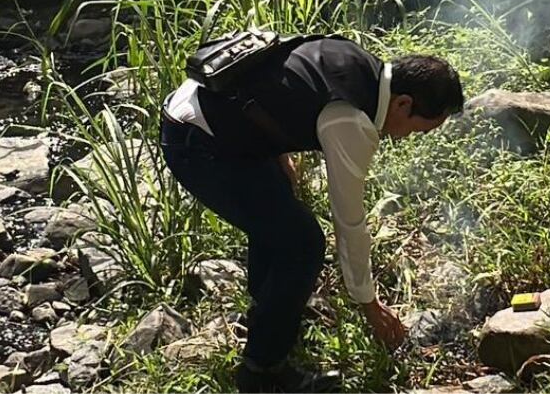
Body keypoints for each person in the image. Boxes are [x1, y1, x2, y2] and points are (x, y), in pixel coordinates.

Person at [159, 34, 464, 392]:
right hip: (198, 142)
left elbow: (277, 80)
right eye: (419, 129)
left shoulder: (356, 60)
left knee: (279, 217)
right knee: (302, 244)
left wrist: (275, 148)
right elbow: (349, 222)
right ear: (403, 104)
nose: (410, 137)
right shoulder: (352, 119)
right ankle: (262, 371)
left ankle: (268, 314)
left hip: (207, 112)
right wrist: (369, 304)